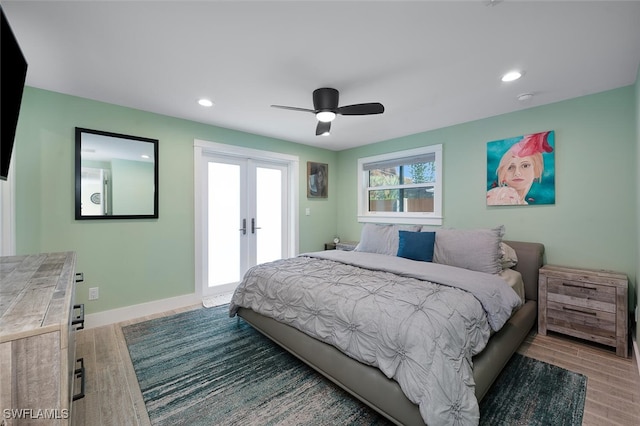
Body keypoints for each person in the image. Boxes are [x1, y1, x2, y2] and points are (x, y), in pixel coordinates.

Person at [487, 131, 553, 205]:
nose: (517, 173)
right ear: (503, 174)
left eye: (525, 166)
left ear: (536, 170)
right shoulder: (498, 196)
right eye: (510, 167)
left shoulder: (524, 203)